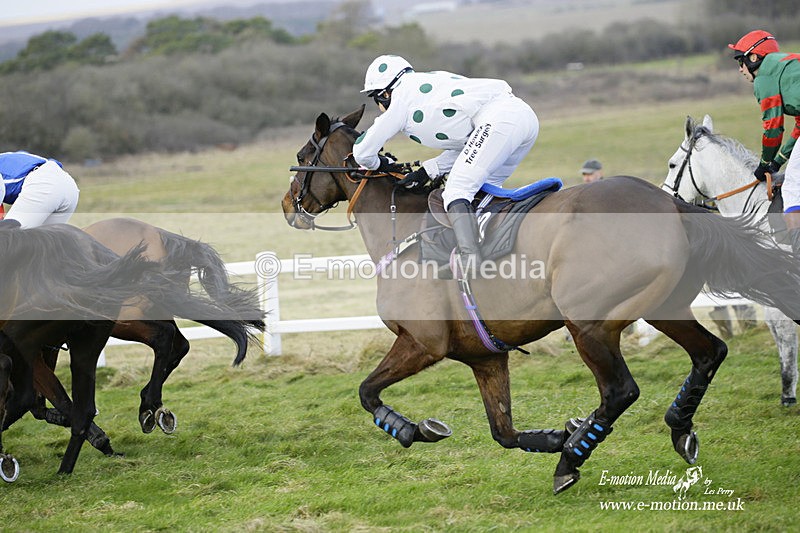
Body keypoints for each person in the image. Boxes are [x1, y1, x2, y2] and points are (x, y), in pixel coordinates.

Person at [352, 55, 540, 278]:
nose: (379, 106)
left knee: (457, 191)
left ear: (385, 93)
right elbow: (470, 143)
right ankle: (499, 250)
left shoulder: (401, 98)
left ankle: (470, 259)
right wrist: (428, 170)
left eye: (376, 98)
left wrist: (380, 163)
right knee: (483, 190)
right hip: (522, 118)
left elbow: (362, 151)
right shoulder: (430, 81)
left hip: (500, 120)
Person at [728, 30, 800, 254]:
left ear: (753, 57)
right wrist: (778, 161)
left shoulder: (765, 77)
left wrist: (764, 163)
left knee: (793, 187)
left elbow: (773, 127)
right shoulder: (787, 64)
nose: (740, 69)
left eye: (741, 61)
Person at [0, 150, 79, 228]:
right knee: (44, 240)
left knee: (8, 234)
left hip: (43, 183)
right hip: (68, 184)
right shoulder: (6, 156)